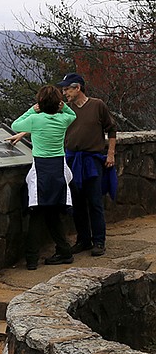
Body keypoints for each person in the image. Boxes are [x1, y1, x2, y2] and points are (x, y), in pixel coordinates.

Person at [9, 85, 76, 270]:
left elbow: (15, 125)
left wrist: (33, 109)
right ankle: (65, 251)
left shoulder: (35, 120)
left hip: (41, 171)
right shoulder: (63, 119)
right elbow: (73, 116)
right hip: (58, 171)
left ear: (40, 102)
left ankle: (31, 260)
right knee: (53, 214)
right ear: (58, 103)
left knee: (36, 216)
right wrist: (64, 107)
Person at [58, 73, 117, 257]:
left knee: (95, 202)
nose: (64, 92)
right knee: (77, 203)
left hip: (92, 160)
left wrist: (110, 154)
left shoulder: (97, 105)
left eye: (67, 88)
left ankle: (99, 240)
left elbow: (111, 129)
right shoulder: (66, 110)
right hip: (72, 159)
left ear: (78, 88)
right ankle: (83, 240)